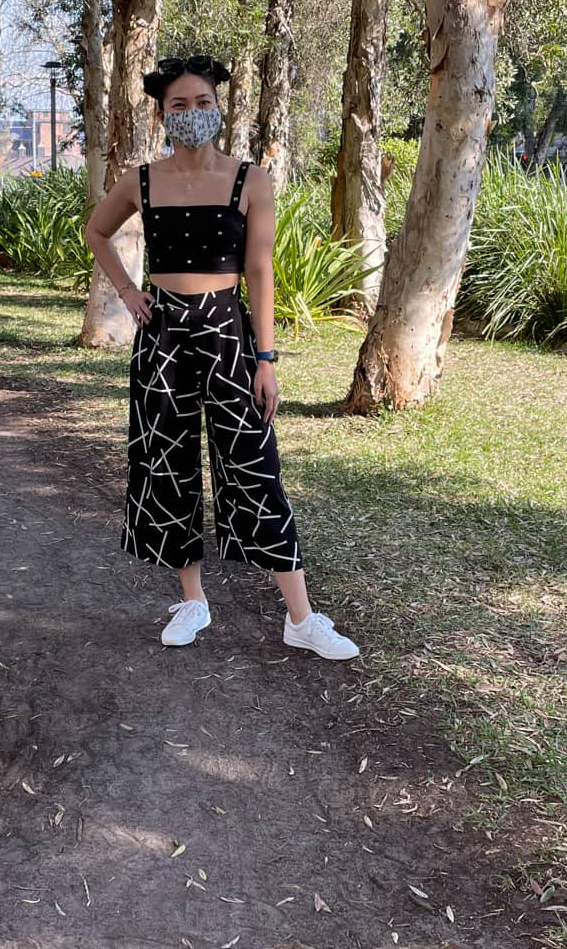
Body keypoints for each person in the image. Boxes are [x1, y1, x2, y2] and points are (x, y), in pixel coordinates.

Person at [84, 53, 360, 660]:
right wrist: (129, 293)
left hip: (228, 331)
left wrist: (265, 357)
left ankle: (301, 617)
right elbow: (97, 230)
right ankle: (193, 601)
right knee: (167, 460)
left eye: (202, 103)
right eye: (178, 106)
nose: (191, 114)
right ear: (162, 114)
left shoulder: (249, 180)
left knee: (254, 465)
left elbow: (259, 270)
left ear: (219, 108)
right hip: (161, 334)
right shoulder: (142, 180)